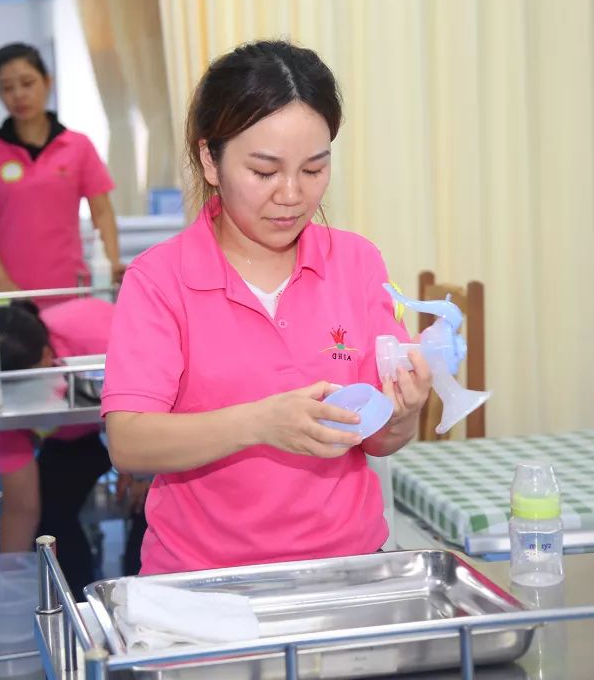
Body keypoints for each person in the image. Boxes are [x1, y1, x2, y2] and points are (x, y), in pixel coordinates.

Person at [101, 40, 433, 576]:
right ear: (210, 160)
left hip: (347, 568)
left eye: (313, 169)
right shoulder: (160, 280)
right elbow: (130, 442)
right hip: (203, 580)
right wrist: (260, 423)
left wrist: (406, 410)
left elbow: (378, 439)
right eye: (264, 171)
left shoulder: (356, 262)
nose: (291, 195)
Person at [0, 299, 150, 594]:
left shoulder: (99, 334)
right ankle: (78, 601)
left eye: (25, 389)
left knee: (151, 508)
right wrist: (6, 586)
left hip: (147, 418)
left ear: (48, 356)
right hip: (76, 436)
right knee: (50, 517)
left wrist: (143, 471)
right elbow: (21, 508)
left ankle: (141, 593)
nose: (19, 399)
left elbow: (164, 400)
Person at [0, 43, 122, 300]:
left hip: (71, 289)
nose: (19, 95)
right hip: (10, 295)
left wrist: (110, 265)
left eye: (27, 83)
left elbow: (101, 212)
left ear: (47, 82)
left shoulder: (78, 146)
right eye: (7, 88)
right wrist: (1, 280)